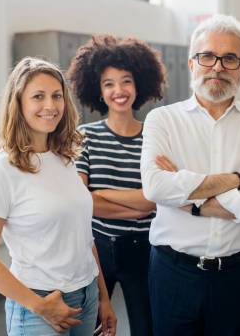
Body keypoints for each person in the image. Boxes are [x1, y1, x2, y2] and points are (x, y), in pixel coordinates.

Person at [140, 14, 240, 336]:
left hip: (238, 274)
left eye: (230, 58)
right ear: (192, 63)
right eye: (207, 56)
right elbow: (155, 187)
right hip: (173, 272)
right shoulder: (162, 120)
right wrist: (237, 179)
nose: (217, 66)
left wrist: (191, 199)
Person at [0, 57, 117, 336]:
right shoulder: (1, 171)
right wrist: (38, 306)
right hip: (38, 302)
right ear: (19, 103)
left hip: (85, 296)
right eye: (38, 96)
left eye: (57, 96)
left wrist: (103, 298)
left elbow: (84, 237)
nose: (50, 106)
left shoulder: (65, 160)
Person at [67, 35, 166, 336]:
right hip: (97, 248)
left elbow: (157, 198)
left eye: (125, 81)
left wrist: (99, 195)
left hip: (145, 249)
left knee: (146, 327)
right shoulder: (85, 136)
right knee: (95, 328)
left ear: (139, 85)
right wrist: (137, 206)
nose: (118, 91)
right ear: (98, 90)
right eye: (108, 83)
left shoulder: (155, 135)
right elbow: (79, 201)